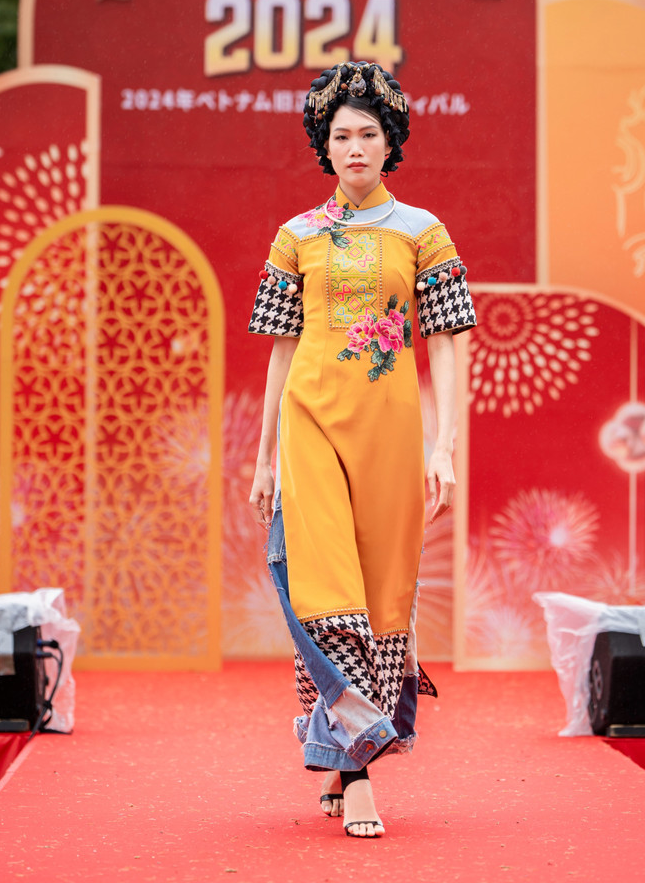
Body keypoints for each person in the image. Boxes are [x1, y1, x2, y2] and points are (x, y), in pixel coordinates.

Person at [248, 61, 476, 838]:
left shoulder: (422, 232)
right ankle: (358, 772)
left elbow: (447, 342)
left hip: (390, 432)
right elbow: (282, 350)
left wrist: (444, 447)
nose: (353, 147)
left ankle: (338, 748)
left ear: (390, 143)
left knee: (382, 597)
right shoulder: (296, 237)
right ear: (324, 145)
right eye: (340, 135)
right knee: (326, 591)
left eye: (368, 134)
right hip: (310, 424)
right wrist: (264, 457)